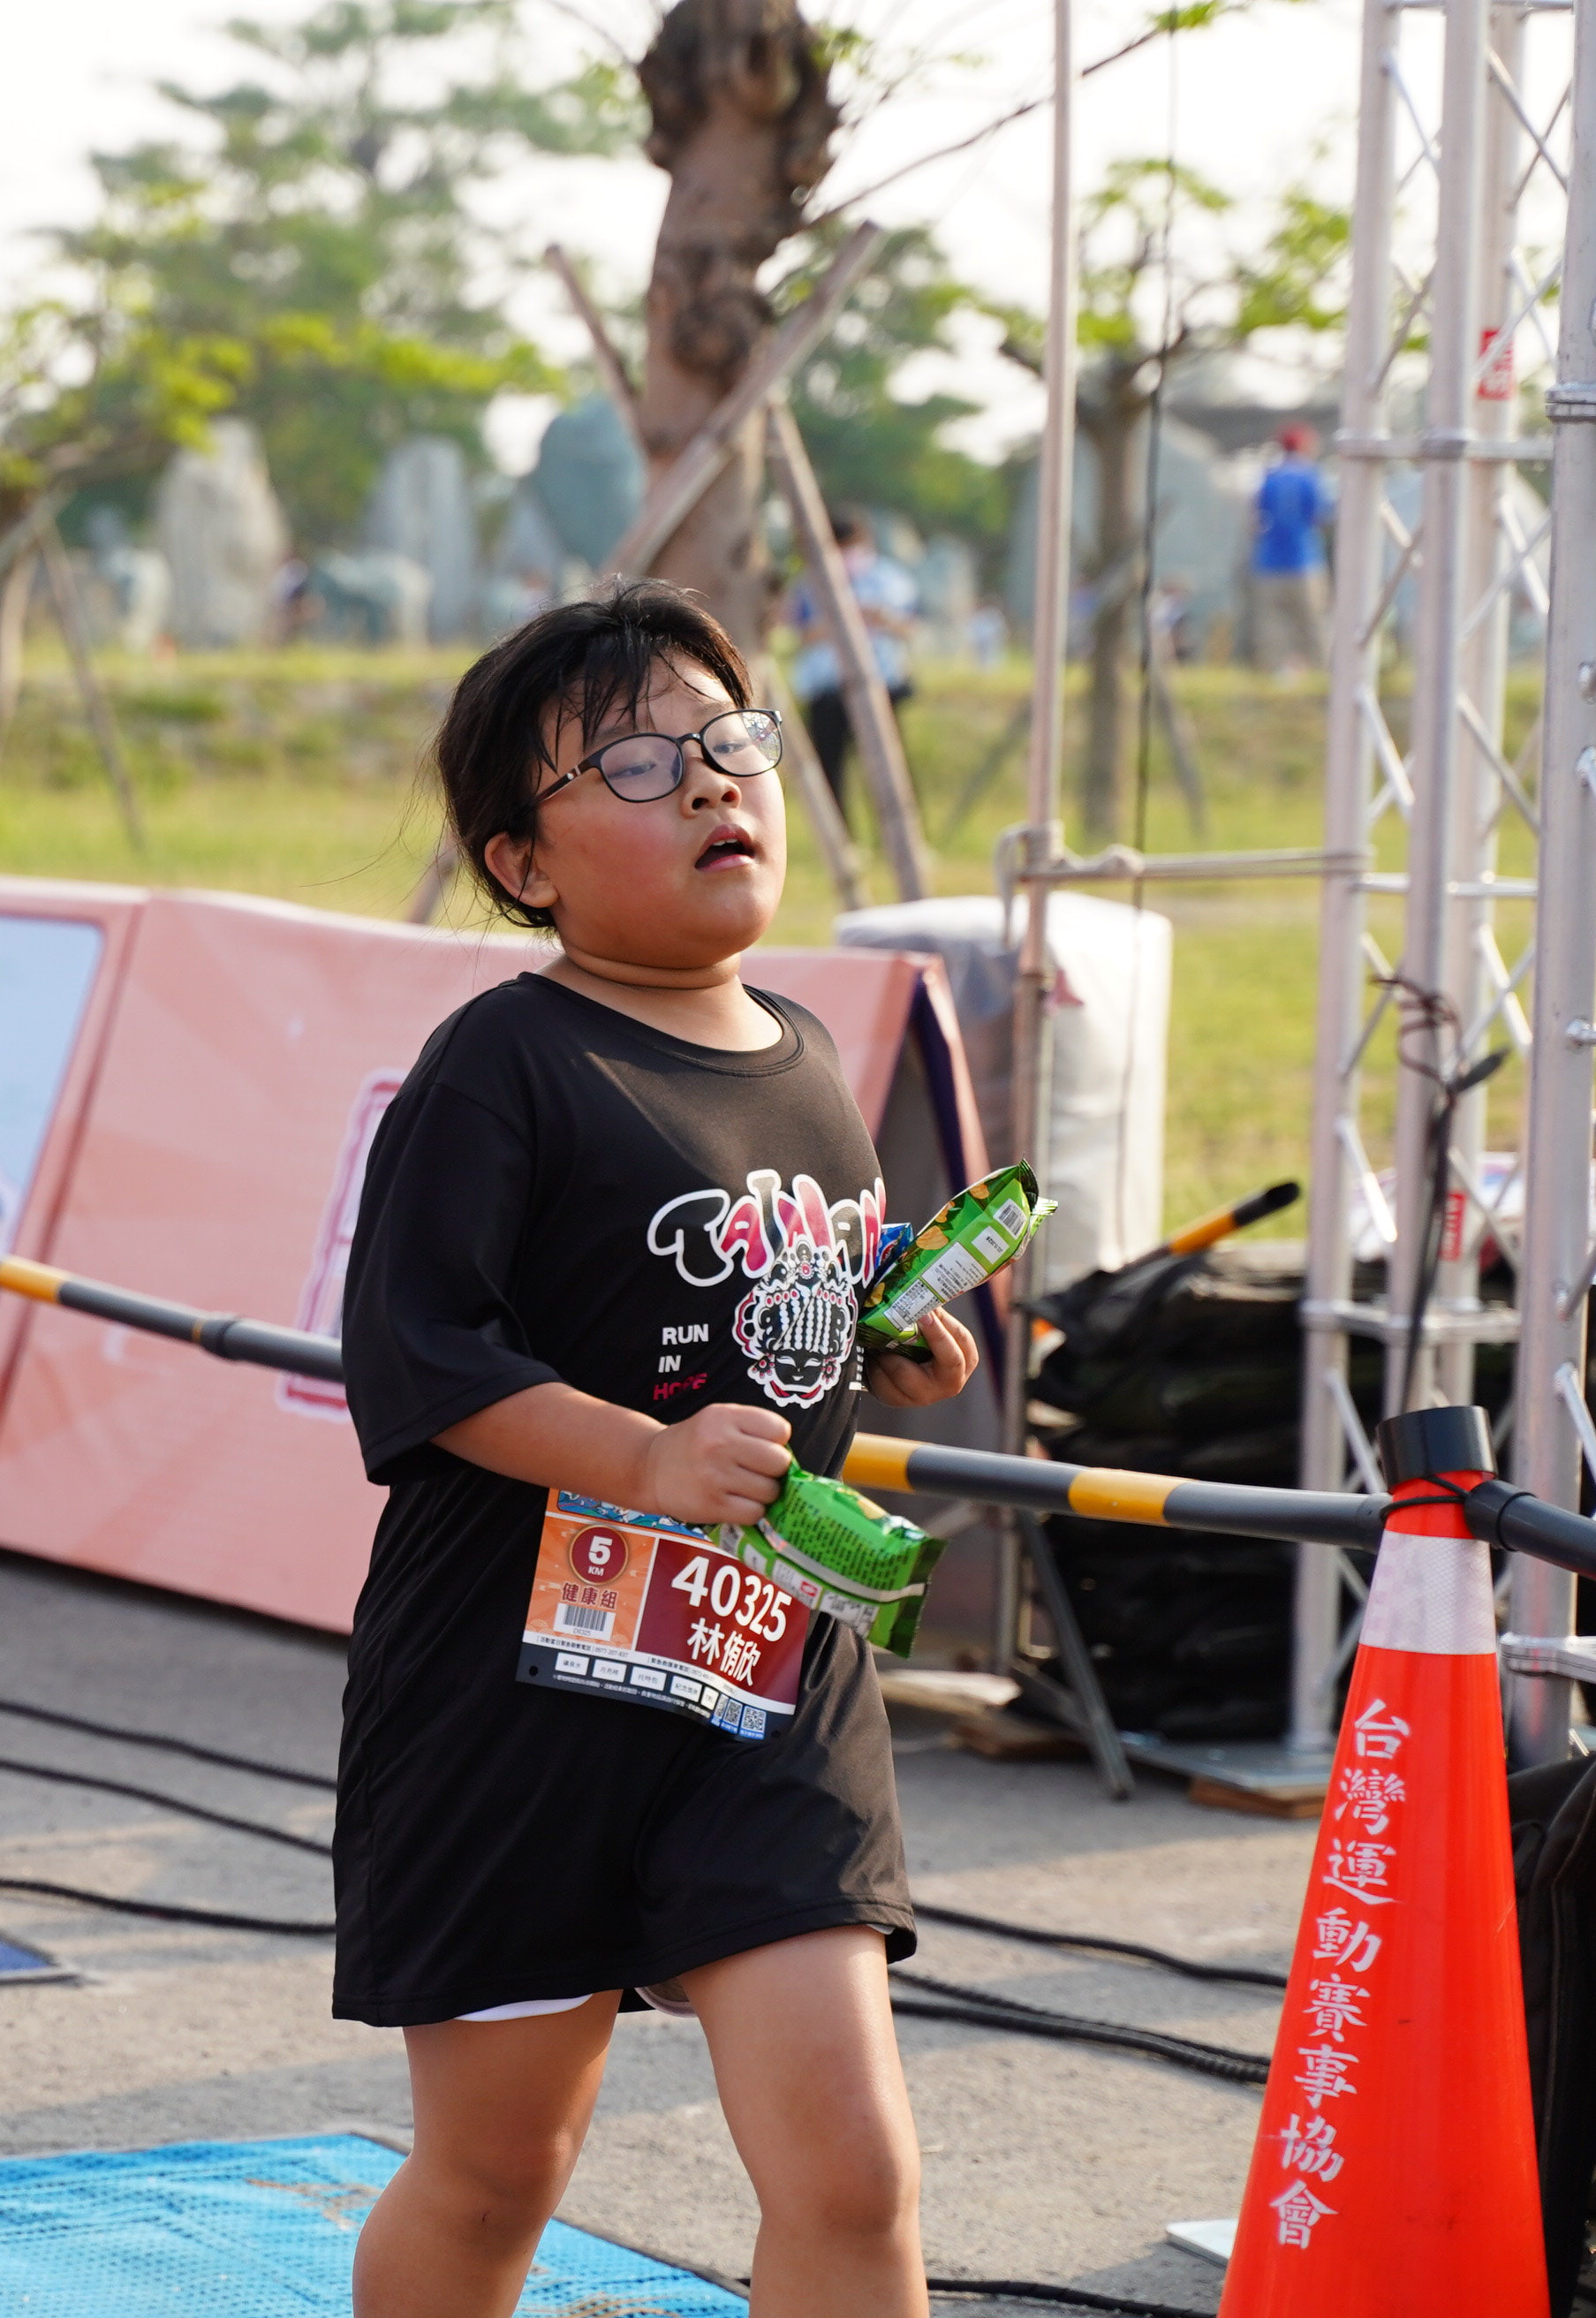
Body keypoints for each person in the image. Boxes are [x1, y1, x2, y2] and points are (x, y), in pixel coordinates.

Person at [334, 580, 978, 2318]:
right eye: (632, 762)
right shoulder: (503, 1061)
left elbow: (780, 1315)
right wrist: (646, 1458)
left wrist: (884, 1335)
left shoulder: (811, 1055)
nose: (708, 781)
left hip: (767, 1677)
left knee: (855, 2173)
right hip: (511, 1694)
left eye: (728, 740)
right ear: (521, 862)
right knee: (495, 2177)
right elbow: (418, 1356)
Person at [786, 511, 919, 835]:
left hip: (880, 682)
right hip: (828, 688)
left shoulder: (889, 580)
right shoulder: (809, 583)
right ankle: (841, 836)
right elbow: (800, 633)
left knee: (888, 766)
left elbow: (910, 627)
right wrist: (840, 621)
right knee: (830, 765)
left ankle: (899, 834)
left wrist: (880, 618)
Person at [1245, 424, 1331, 674]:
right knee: (1311, 620)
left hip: (1268, 562)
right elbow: (1320, 515)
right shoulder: (1310, 476)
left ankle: (1275, 671)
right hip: (1304, 560)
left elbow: (1256, 518)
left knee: (1272, 623)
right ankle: (1318, 670)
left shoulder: (1269, 477)